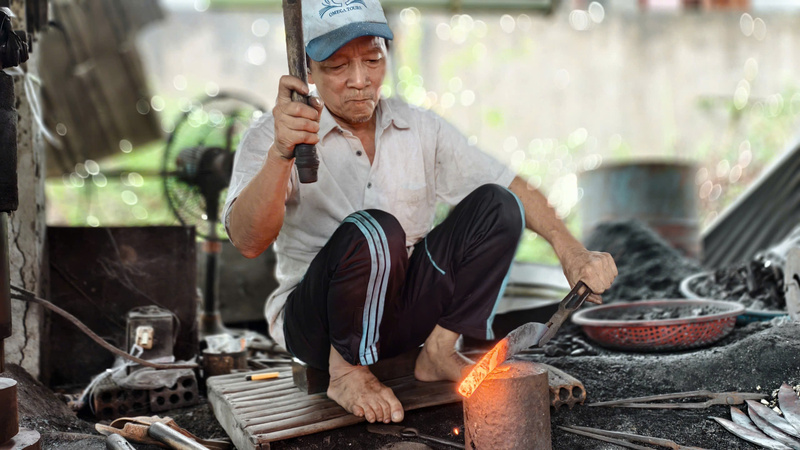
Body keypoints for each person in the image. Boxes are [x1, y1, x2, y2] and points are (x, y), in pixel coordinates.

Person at [223, 0, 617, 425]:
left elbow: (512, 185)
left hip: (398, 315)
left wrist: (570, 249)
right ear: (308, 69)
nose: (360, 81)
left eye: (373, 59)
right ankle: (346, 371)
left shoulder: (418, 127)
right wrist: (282, 154)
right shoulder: (273, 134)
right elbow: (248, 241)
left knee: (499, 206)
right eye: (338, 66)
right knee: (376, 229)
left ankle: (438, 351)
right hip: (318, 325)